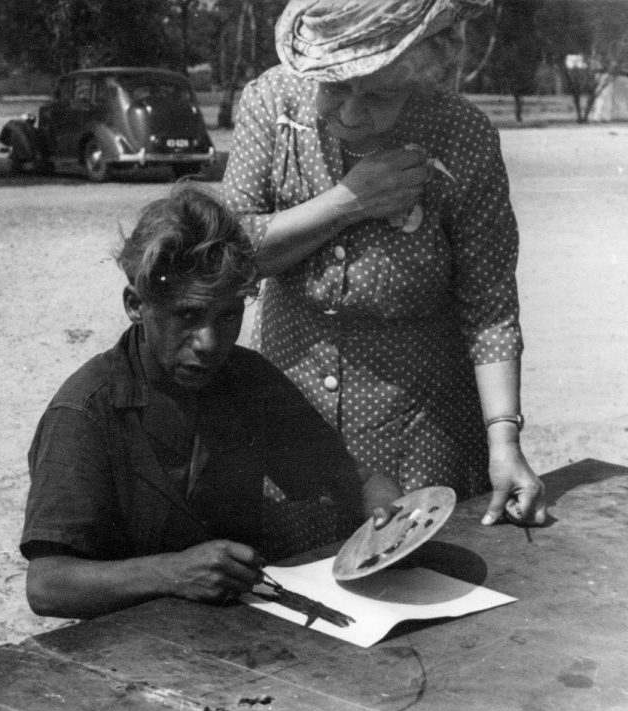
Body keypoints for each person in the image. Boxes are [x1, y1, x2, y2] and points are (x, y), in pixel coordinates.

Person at [221, 0, 547, 527]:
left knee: (416, 574)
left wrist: (504, 439)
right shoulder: (272, 103)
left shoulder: (462, 135)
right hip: (291, 419)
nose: (350, 113)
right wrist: (350, 200)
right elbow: (229, 256)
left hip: (419, 429)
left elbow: (489, 308)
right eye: (333, 87)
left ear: (421, 74)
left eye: (378, 95)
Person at [20, 184, 401, 619]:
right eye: (187, 315)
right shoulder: (84, 412)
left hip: (236, 635)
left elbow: (339, 475)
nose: (208, 342)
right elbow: (47, 584)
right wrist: (170, 573)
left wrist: (378, 497)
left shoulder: (248, 380)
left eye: (228, 316)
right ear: (135, 305)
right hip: (120, 645)